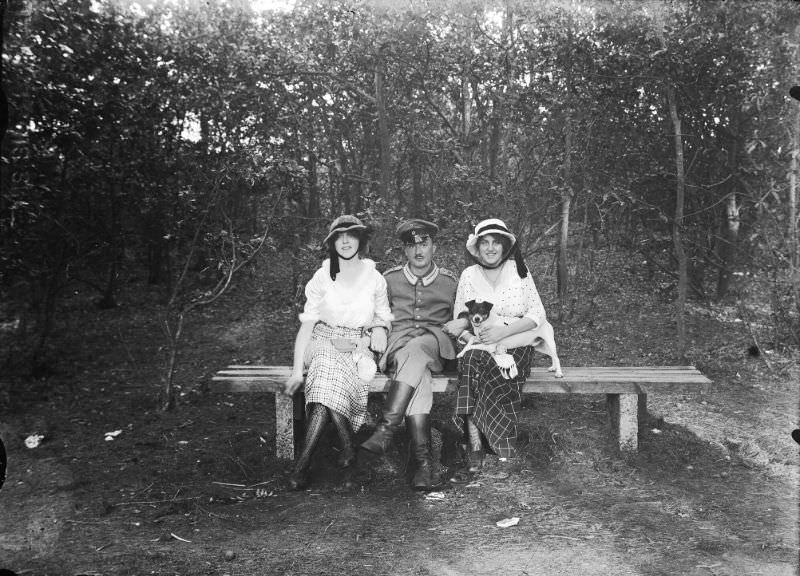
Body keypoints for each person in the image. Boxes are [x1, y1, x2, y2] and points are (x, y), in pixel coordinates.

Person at [283, 215, 392, 490]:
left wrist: (379, 329)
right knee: (323, 366)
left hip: (358, 344)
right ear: (332, 243)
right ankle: (346, 445)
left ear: (361, 241)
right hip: (323, 340)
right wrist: (297, 370)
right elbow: (308, 325)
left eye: (351, 235)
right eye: (339, 236)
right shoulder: (322, 276)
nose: (345, 241)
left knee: (322, 396)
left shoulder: (374, 277)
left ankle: (302, 466)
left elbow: (384, 316)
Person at [442, 218, 547, 480]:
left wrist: (503, 332)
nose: (490, 249)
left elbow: (537, 314)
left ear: (504, 247)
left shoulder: (519, 271)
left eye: (495, 243)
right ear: (477, 248)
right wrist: (471, 339)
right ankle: (477, 446)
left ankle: (479, 442)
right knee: (471, 361)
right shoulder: (469, 276)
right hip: (478, 345)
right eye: (484, 243)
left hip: (514, 344)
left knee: (477, 368)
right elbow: (460, 320)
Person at [358, 219, 458, 490]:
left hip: (435, 346)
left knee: (418, 351)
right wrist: (378, 328)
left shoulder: (450, 282)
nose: (419, 251)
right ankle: (424, 465)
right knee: (418, 372)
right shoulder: (389, 279)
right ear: (404, 250)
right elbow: (376, 314)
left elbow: (461, 320)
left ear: (433, 246)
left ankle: (386, 429)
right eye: (412, 246)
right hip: (398, 348)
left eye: (424, 244)